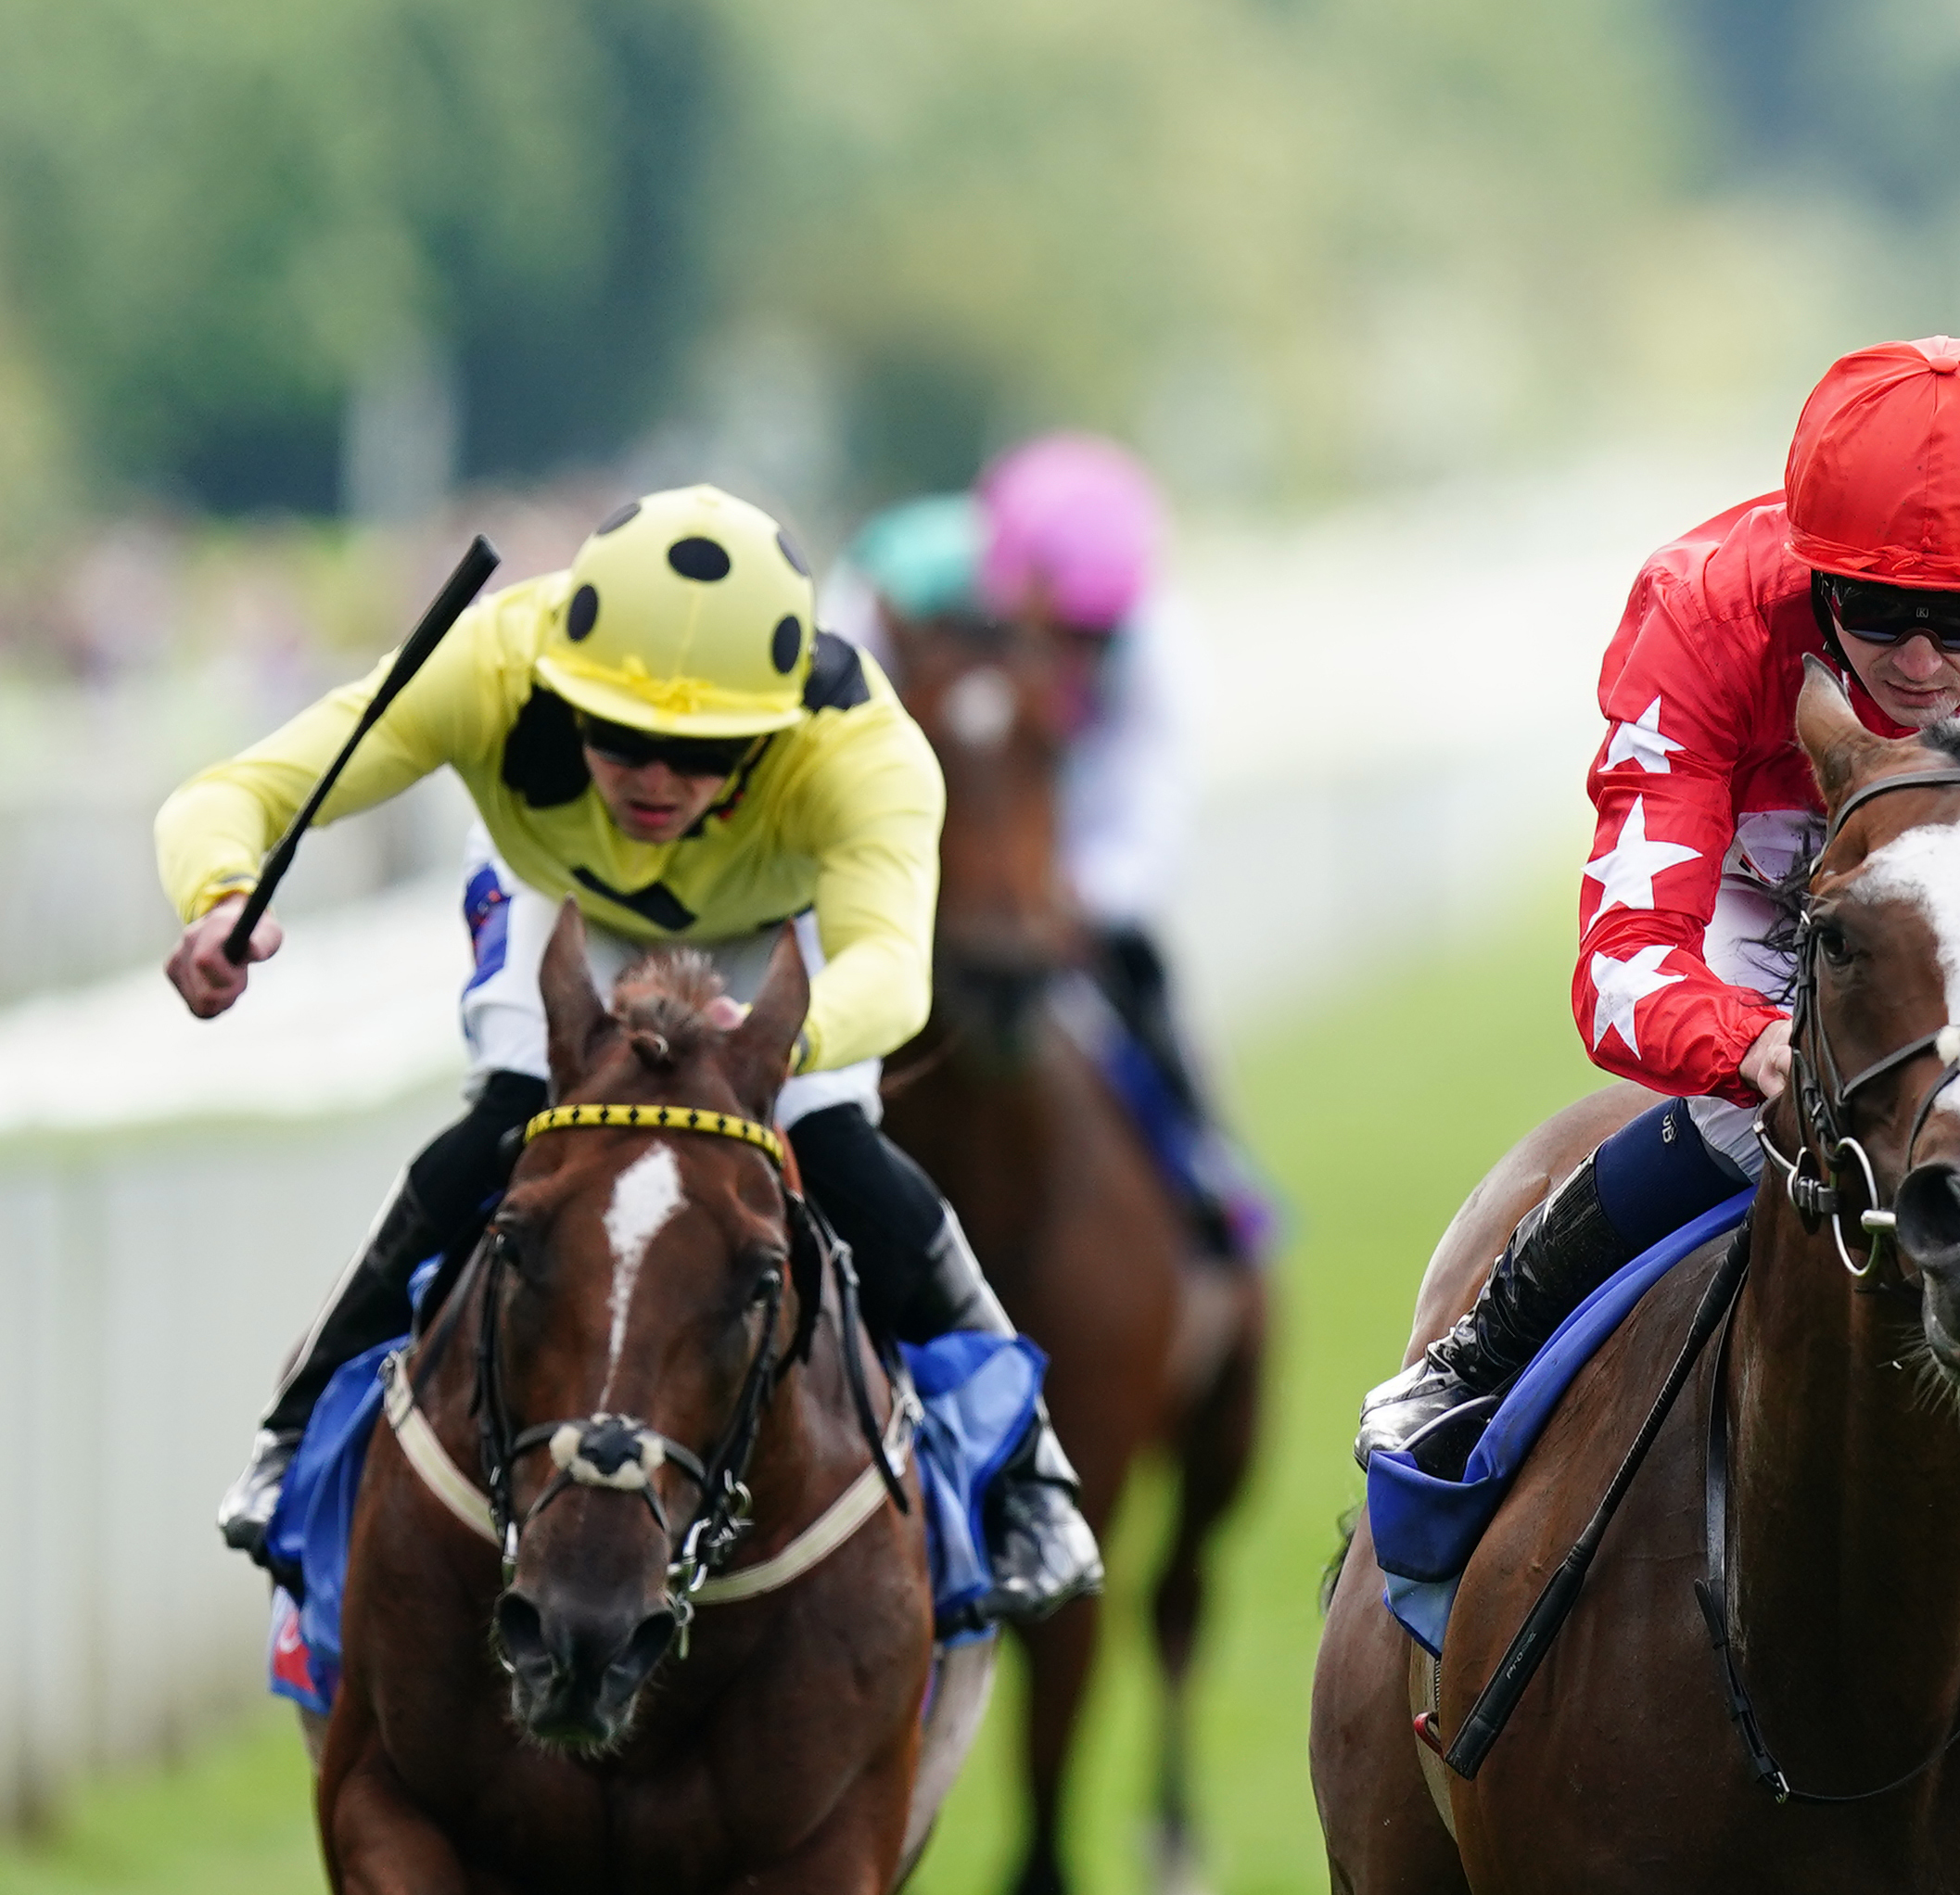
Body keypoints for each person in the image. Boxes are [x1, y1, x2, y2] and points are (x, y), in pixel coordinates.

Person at [1354, 336, 1960, 1558]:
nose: (1919, 662)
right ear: (1813, 568)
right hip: (1766, 875)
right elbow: (1625, 962)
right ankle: (1484, 1348)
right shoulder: (1705, 609)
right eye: (1875, 611)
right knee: (1757, 1116)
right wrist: (1749, 1045)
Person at [164, 484, 1101, 1622]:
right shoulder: (490, 661)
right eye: (617, 735)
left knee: (834, 1139)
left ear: (772, 728)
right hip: (558, 898)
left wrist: (771, 1041)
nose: (654, 779)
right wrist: (219, 895)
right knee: (507, 1116)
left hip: (774, 934)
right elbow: (237, 792)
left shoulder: (865, 747)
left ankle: (1032, 1476)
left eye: (703, 751)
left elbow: (892, 974)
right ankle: (295, 1428)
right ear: (563, 689)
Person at [822, 437, 1235, 1205]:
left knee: (1141, 971)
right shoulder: (874, 603)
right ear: (1007, 587)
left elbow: (1149, 804)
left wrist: (1079, 894)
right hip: (905, 836)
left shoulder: (1154, 638)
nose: (1080, 659)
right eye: (1063, 634)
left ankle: (1207, 1168)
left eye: (1098, 638)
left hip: (1059, 836)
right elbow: (830, 764)